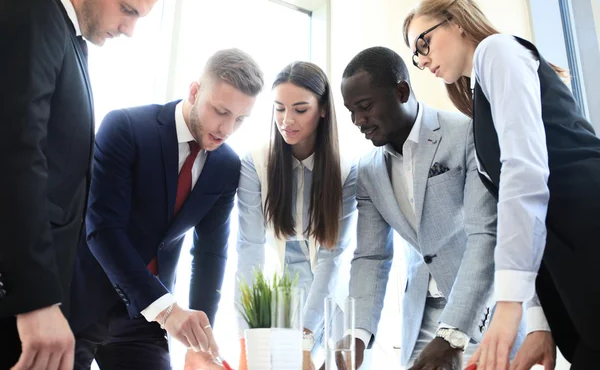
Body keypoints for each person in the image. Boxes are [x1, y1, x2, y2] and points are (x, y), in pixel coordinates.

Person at [404, 0, 600, 370]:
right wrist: (541, 325)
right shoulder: (481, 103)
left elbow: (524, 173)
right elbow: (525, 211)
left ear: (456, 21)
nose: (422, 58)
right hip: (568, 262)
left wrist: (510, 307)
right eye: (416, 54)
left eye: (423, 42)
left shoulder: (496, 50)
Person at [0, 0, 170, 369]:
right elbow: (13, 156)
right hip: (18, 295)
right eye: (127, 9)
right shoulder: (34, 13)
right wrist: (35, 299)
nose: (130, 29)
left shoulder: (71, 42)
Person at [68, 48, 263, 370]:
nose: (227, 129)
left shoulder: (227, 166)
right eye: (220, 111)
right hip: (82, 302)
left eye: (240, 119)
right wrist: (168, 311)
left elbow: (210, 253)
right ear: (195, 91)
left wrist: (201, 339)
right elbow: (103, 229)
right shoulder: (126, 127)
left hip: (144, 320)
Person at [338, 46, 526, 370]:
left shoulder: (466, 132)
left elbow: (485, 234)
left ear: (401, 92)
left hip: (483, 314)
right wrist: (355, 334)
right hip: (420, 324)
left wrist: (453, 335)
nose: (358, 121)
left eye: (365, 107)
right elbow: (372, 256)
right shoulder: (367, 171)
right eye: (351, 111)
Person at [235, 61, 357, 370]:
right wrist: (247, 335)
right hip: (285, 295)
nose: (286, 120)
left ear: (323, 110)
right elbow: (249, 251)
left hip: (335, 296)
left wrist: (305, 336)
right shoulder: (255, 164)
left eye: (300, 110)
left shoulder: (346, 170)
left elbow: (333, 258)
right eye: (279, 108)